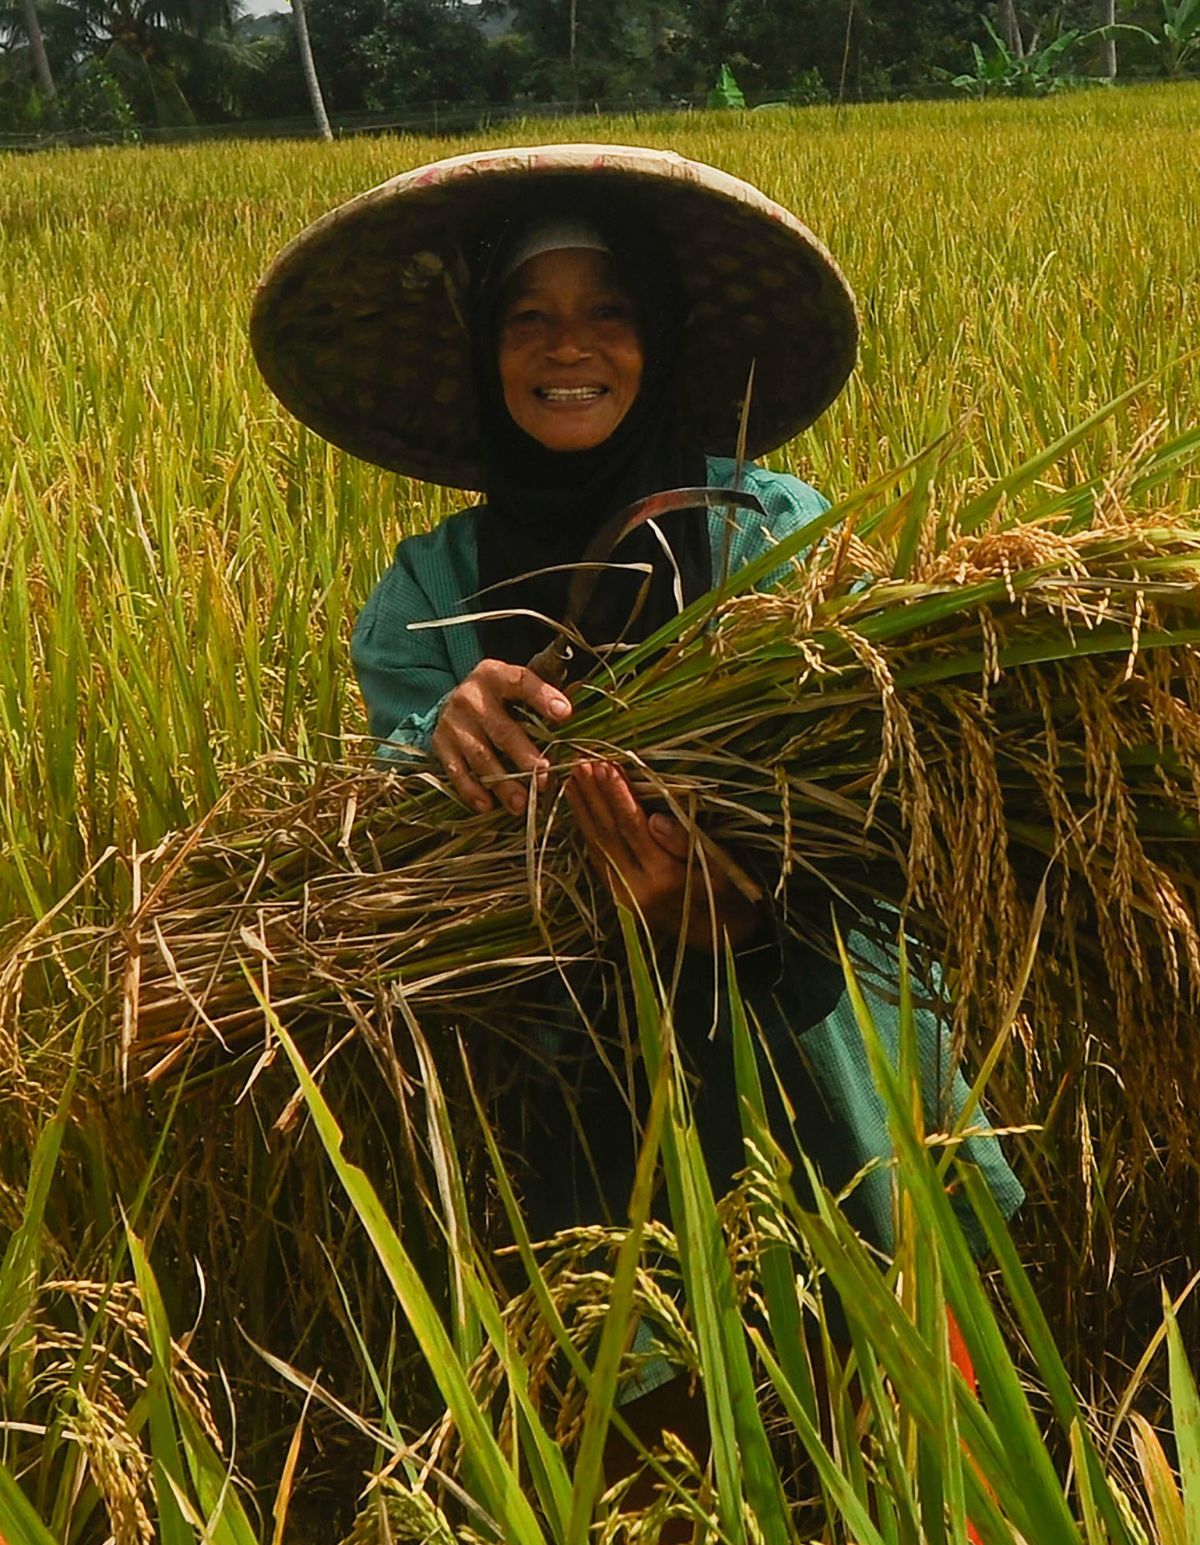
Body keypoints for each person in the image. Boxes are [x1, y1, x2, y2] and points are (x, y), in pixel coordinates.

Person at [251, 142, 1023, 1387]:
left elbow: (898, 792)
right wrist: (435, 738)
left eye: (609, 312)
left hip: (824, 1058)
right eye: (529, 318)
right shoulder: (426, 601)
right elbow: (392, 842)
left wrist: (748, 903)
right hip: (593, 1091)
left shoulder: (771, 531)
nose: (570, 348)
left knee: (918, 1432)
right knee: (661, 1460)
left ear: (658, 337)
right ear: (484, 352)